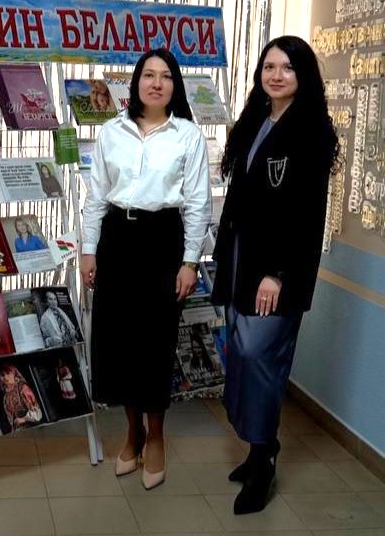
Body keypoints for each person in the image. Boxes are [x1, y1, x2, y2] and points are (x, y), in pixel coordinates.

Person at [210, 36, 339, 515]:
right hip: (241, 260)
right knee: (241, 356)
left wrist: (279, 274)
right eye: (269, 66)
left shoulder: (311, 131)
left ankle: (264, 459)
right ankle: (257, 447)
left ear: (303, 75)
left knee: (259, 355)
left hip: (275, 270)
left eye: (287, 67)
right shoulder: (257, 122)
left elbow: (307, 216)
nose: (276, 75)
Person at [80, 48, 211, 489]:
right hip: (117, 238)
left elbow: (198, 204)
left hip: (163, 241)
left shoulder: (188, 135)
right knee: (119, 341)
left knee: (155, 343)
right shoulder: (111, 132)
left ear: (175, 85)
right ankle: (131, 432)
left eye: (166, 76)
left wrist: (190, 261)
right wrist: (88, 250)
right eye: (149, 75)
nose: (157, 83)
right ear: (136, 82)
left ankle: (156, 437)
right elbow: (96, 196)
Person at [0, 364, 43, 432]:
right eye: (2, 375)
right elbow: (11, 419)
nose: (5, 377)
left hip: (32, 429)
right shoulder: (6, 397)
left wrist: (24, 419)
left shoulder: (23, 388)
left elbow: (37, 415)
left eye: (8, 373)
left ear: (14, 373)